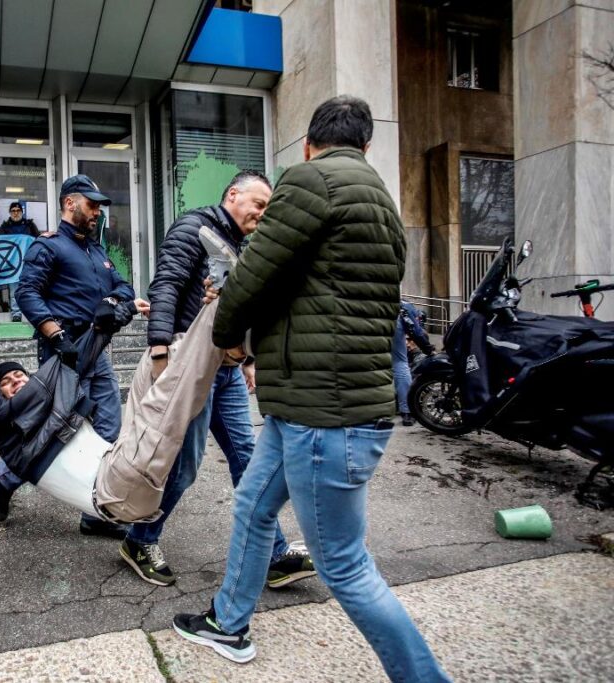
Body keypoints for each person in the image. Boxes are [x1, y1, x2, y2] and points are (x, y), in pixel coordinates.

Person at [174, 96, 451, 681]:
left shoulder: (309, 180)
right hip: (311, 406)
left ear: (307, 144)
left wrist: (228, 335)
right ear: (366, 145)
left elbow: (254, 276)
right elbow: (318, 295)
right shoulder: (379, 200)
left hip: (326, 413)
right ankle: (229, 623)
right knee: (252, 506)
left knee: (344, 565)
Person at [121, 171, 313, 590]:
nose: (262, 214)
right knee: (183, 465)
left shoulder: (242, 245)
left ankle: (275, 553)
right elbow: (167, 285)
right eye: (258, 205)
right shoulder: (195, 228)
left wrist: (246, 360)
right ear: (232, 195)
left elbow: (235, 304)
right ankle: (139, 539)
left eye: (268, 209)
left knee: (248, 457)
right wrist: (158, 351)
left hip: (224, 371)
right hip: (191, 367)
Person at [7, 174, 135, 538]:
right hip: (63, 352)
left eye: (98, 206)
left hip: (97, 349)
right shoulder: (47, 246)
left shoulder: (95, 250)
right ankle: (3, 478)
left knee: (108, 429)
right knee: (55, 434)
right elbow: (27, 293)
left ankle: (96, 513)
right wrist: (55, 335)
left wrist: (112, 303)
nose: (97, 212)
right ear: (69, 203)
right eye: (91, 204)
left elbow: (124, 288)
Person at [394, 300, 435, 426]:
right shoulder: (406, 306)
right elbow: (416, 331)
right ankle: (407, 411)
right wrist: (428, 349)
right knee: (400, 363)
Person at [0, 201, 39, 322]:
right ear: (10, 213)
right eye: (13, 211)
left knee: (30, 288)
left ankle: (31, 312)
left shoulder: (30, 225)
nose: (15, 213)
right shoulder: (5, 227)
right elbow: (0, 243)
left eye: (18, 210)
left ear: (22, 212)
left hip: (28, 262)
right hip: (12, 264)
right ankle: (16, 313)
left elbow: (38, 240)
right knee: (14, 290)